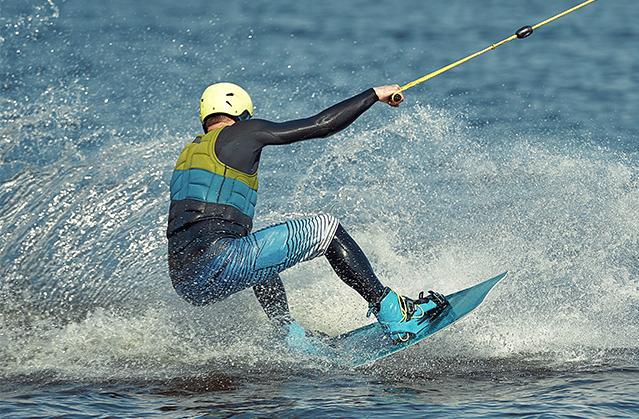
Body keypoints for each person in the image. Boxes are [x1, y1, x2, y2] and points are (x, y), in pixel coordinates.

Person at [166, 82, 447, 353]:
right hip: (219, 261)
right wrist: (373, 94)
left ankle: (288, 335)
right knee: (327, 229)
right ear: (243, 114)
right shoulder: (241, 132)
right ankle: (395, 314)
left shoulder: (188, 154)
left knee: (259, 256)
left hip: (186, 282)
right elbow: (322, 125)